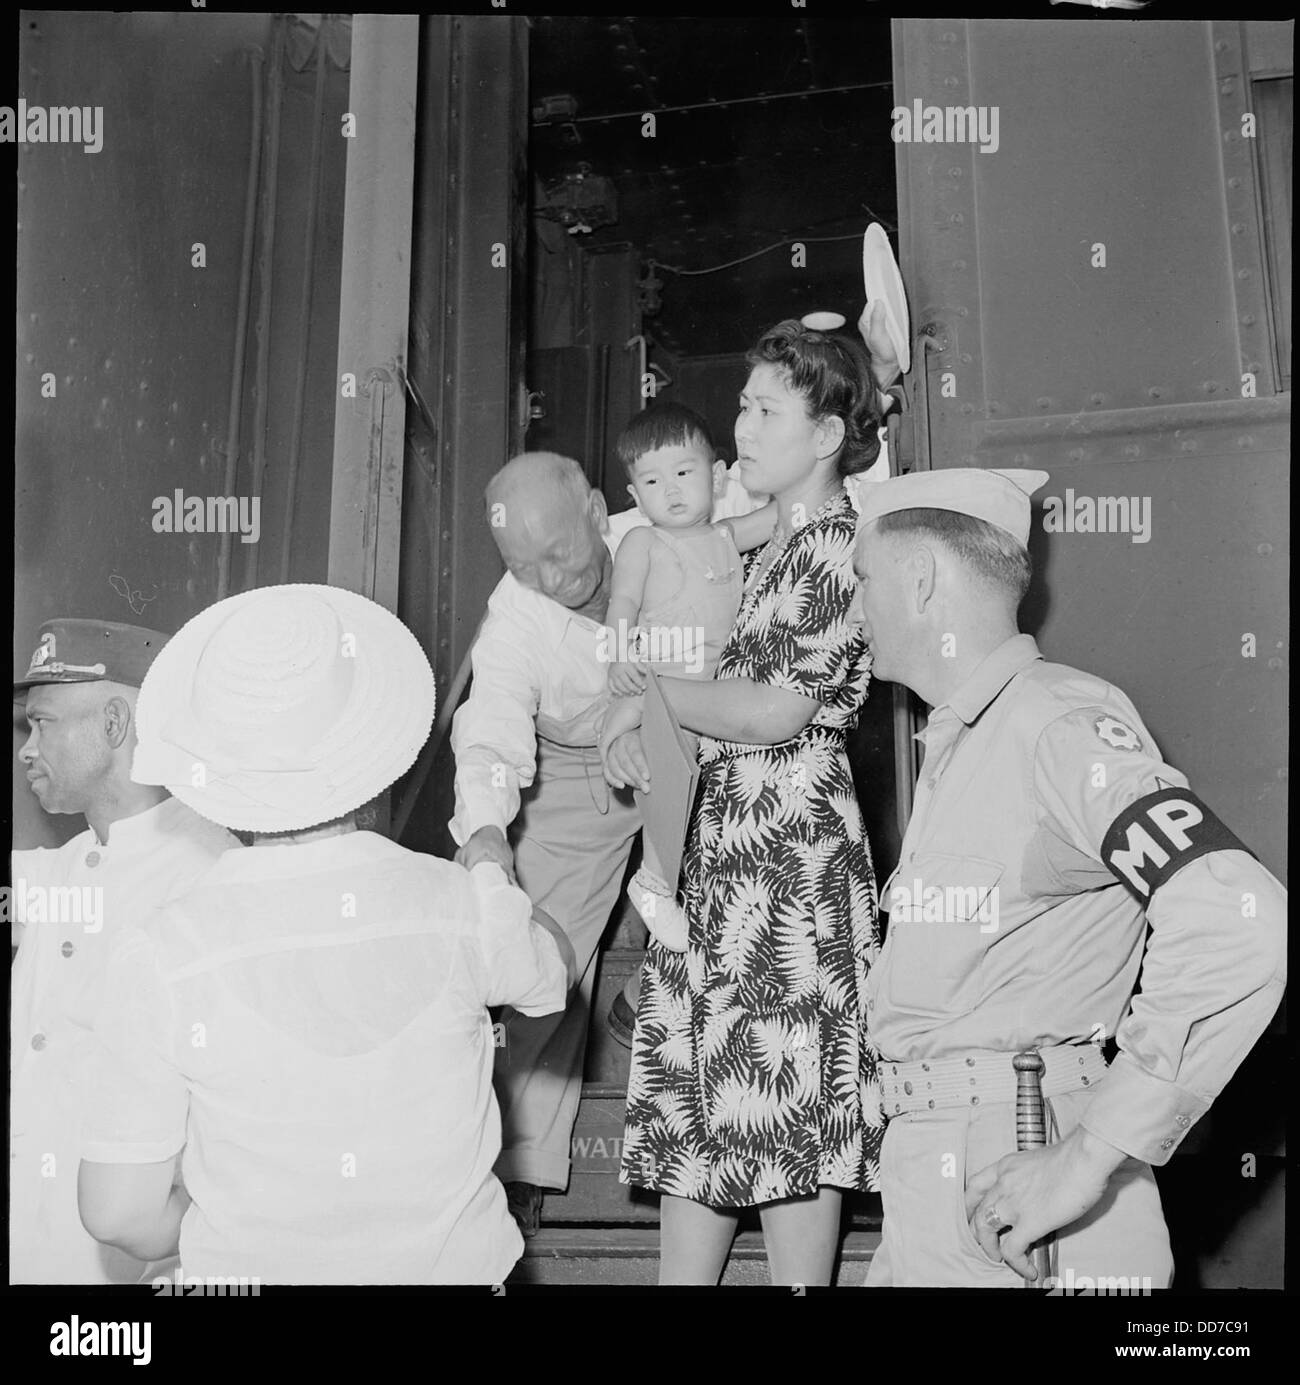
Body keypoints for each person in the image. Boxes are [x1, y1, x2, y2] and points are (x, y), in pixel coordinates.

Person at [851, 468, 1287, 1288]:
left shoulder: (1057, 724)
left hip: (1016, 1174)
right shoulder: (967, 743)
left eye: (862, 580)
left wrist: (1088, 1156)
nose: (852, 609)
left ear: (919, 578)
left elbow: (1242, 918)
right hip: (941, 1176)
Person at [75, 584, 574, 1284]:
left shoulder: (162, 950)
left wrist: (232, 1223)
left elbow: (116, 1212)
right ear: (369, 754)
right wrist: (491, 870)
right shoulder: (456, 903)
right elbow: (554, 966)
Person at [599, 320, 888, 1285]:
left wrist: (655, 697)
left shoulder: (845, 546)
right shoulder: (764, 550)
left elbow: (775, 708)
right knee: (699, 1094)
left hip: (790, 853)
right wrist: (632, 722)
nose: (742, 425)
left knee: (786, 1106)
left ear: (828, 433)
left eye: (767, 409)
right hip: (722, 844)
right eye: (742, 404)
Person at [11, 618, 238, 1284]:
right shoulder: (63, 868)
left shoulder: (213, 876)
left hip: (130, 1276)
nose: (27, 748)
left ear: (114, 723)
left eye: (43, 723)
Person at [603, 400, 776, 945]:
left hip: (716, 693)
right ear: (634, 497)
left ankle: (684, 884)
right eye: (652, 481)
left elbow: (785, 515)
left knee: (702, 795)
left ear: (718, 476)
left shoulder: (727, 536)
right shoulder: (643, 542)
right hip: (661, 686)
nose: (671, 490)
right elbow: (622, 602)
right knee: (665, 784)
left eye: (684, 472)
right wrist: (616, 654)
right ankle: (653, 882)